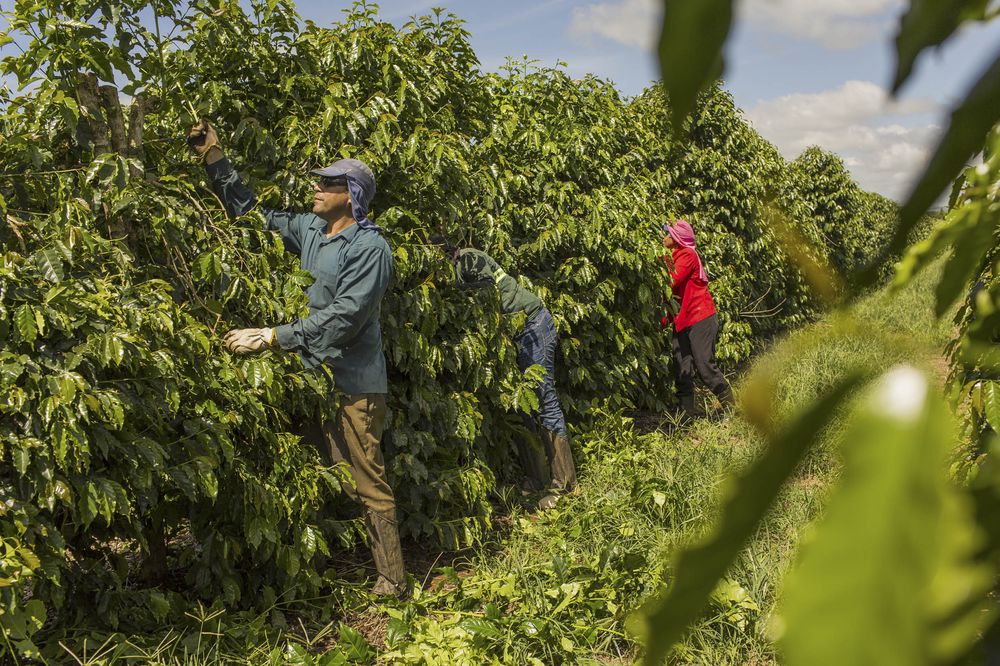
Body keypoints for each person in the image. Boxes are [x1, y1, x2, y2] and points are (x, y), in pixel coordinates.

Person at [186, 120, 406, 597]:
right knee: (320, 471)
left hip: (355, 383)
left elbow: (344, 318)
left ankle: (393, 582)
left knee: (365, 479)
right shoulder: (310, 229)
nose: (316, 188)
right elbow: (249, 215)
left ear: (350, 194)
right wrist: (215, 158)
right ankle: (322, 566)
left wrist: (271, 335)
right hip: (313, 377)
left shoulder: (371, 248)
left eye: (327, 183)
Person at [430, 236, 577, 510]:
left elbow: (487, 294)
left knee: (544, 399)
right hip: (515, 333)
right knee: (522, 405)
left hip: (533, 325)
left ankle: (565, 485)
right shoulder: (458, 266)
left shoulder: (468, 260)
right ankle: (537, 478)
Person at [662, 219, 733, 420]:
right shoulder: (674, 255)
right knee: (682, 368)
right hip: (682, 320)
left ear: (676, 237)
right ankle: (685, 416)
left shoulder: (687, 255)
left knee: (704, 366)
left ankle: (730, 407)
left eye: (667, 232)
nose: (663, 236)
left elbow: (672, 281)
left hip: (699, 318)